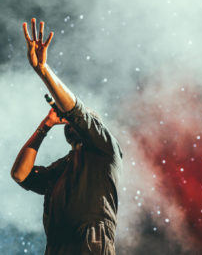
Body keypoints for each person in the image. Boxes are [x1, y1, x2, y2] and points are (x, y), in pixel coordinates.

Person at [11, 18, 123, 254]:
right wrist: (45, 125)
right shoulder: (63, 166)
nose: (69, 120)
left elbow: (77, 111)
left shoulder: (105, 147)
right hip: (57, 246)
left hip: (90, 241)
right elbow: (20, 175)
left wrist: (44, 71)